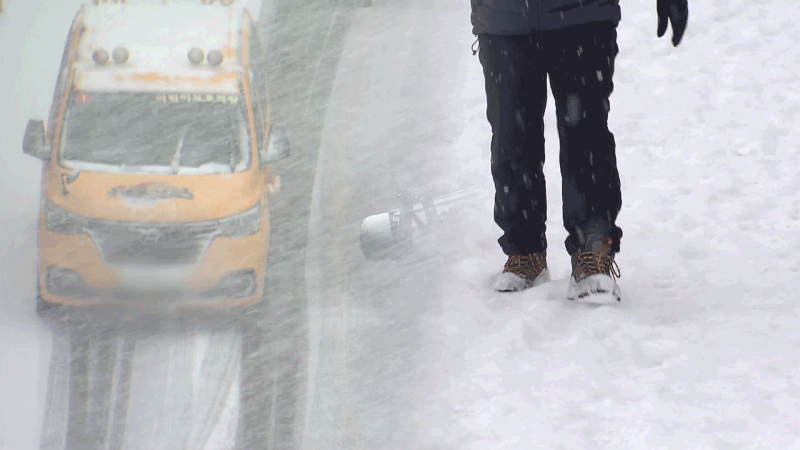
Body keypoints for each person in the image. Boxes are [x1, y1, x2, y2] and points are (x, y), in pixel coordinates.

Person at [473, 0, 688, 300]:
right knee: (511, 137)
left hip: (582, 13)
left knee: (586, 134)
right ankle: (524, 251)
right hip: (503, 17)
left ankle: (592, 253)